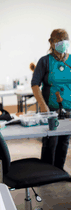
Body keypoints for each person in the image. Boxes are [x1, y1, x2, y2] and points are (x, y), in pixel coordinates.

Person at [31, 29, 71, 170]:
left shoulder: (70, 60)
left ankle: (59, 170)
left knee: (64, 141)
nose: (62, 44)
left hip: (68, 108)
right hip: (51, 108)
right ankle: (46, 172)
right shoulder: (44, 61)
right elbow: (35, 84)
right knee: (51, 141)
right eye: (59, 41)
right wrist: (43, 106)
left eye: (65, 41)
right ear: (52, 43)